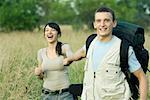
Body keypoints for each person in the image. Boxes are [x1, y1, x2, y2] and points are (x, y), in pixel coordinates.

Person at [63, 6, 148, 100]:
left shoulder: (123, 49)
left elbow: (142, 77)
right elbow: (80, 54)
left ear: (114, 23)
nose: (102, 24)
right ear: (94, 24)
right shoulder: (90, 43)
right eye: (98, 21)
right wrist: (67, 60)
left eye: (106, 20)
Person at [34, 22, 74, 100]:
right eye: (47, 30)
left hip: (64, 95)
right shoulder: (41, 52)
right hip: (47, 95)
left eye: (53, 30)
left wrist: (68, 60)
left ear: (58, 34)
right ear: (44, 35)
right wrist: (38, 74)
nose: (49, 32)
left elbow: (72, 57)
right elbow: (42, 77)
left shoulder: (65, 47)